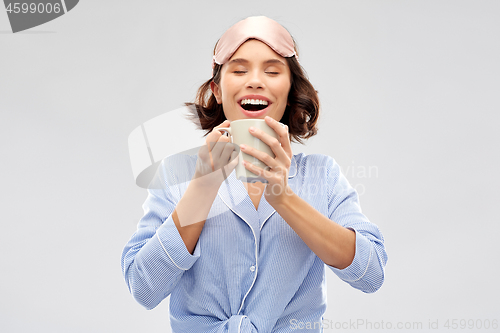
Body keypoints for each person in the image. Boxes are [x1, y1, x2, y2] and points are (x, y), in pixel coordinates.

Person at [121, 16, 387, 333]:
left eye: (272, 71)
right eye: (239, 69)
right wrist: (203, 187)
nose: (255, 81)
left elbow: (371, 274)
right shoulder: (178, 174)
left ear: (290, 90)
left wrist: (283, 198)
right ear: (217, 90)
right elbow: (144, 288)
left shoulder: (321, 175)